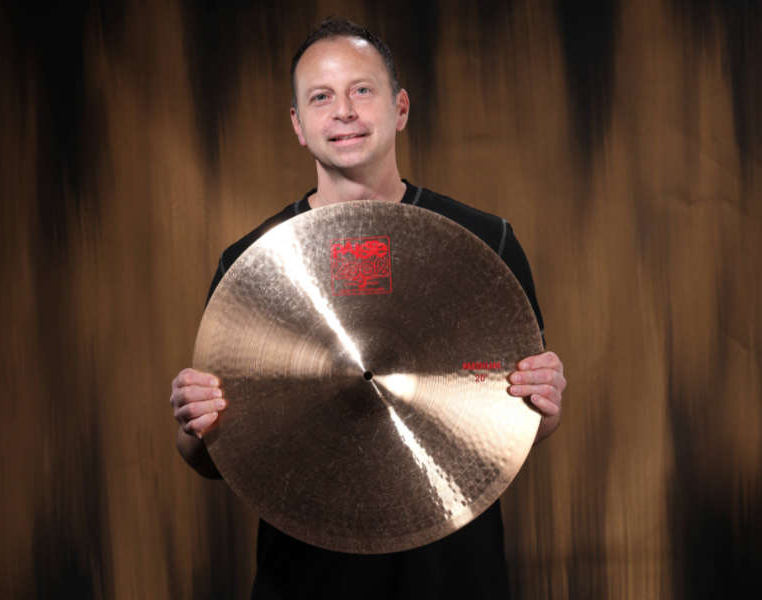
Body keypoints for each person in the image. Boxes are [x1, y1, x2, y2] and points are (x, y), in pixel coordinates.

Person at [170, 17, 566, 599]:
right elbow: (210, 456)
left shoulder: (487, 243)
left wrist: (547, 405)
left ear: (400, 107)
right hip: (305, 580)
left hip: (452, 576)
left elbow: (518, 421)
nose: (344, 111)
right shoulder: (253, 264)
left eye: (362, 90)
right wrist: (192, 424)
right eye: (321, 97)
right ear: (299, 125)